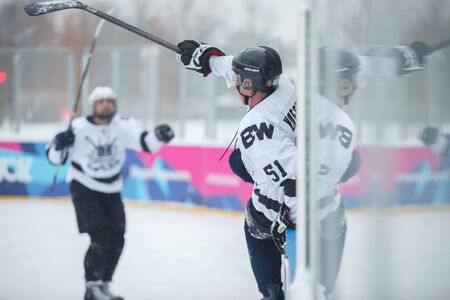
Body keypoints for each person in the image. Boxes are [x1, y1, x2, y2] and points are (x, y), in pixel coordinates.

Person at [177, 41, 296, 300]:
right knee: (238, 161)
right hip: (303, 176)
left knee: (255, 223)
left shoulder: (258, 128)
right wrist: (208, 59)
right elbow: (236, 69)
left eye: (239, 81)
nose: (234, 84)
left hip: (283, 206)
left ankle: (270, 291)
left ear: (249, 86)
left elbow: (290, 179)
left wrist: (290, 219)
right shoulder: (283, 85)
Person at [46, 86, 174, 300]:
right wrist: (58, 144)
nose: (106, 104)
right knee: (101, 236)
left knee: (117, 238)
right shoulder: (78, 127)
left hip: (112, 188)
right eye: (101, 101)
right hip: (83, 185)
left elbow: (146, 143)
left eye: (109, 101)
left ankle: (104, 283)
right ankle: (91, 286)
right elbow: (54, 158)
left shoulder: (123, 125)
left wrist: (160, 136)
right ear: (93, 105)